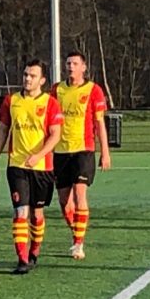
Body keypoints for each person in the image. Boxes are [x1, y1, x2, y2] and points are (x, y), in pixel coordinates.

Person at [0, 59, 63, 274]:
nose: (27, 79)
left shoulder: (50, 103)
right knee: (20, 211)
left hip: (42, 168)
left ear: (42, 80)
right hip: (17, 165)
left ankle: (34, 252)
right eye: (25, 74)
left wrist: (39, 155)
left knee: (36, 214)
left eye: (32, 76)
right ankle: (22, 259)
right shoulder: (11, 101)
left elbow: (55, 135)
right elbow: (3, 130)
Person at [50, 51, 111, 260]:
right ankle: (77, 233)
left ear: (83, 67)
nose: (70, 67)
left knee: (79, 194)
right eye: (68, 63)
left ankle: (78, 243)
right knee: (64, 201)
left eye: (75, 63)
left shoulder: (93, 90)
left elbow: (100, 123)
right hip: (60, 152)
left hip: (83, 149)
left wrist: (105, 152)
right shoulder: (56, 90)